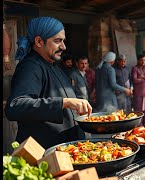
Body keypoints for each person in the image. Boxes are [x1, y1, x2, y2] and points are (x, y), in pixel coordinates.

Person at [5, 16, 92, 149]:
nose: (63, 47)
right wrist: (64, 102)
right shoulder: (30, 66)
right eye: (58, 41)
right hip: (46, 156)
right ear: (39, 41)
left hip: (67, 149)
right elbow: (15, 106)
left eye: (63, 41)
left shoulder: (53, 65)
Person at [131, 54, 145, 125]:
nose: (143, 61)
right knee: (139, 110)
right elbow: (135, 80)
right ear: (138, 60)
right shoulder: (135, 68)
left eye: (144, 60)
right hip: (138, 93)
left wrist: (143, 77)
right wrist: (144, 80)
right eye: (141, 60)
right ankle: (139, 124)